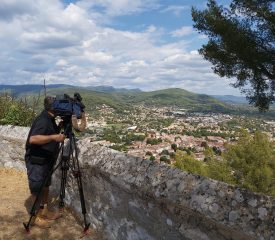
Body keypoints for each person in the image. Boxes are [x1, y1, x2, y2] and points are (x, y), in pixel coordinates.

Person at [25, 96, 65, 228]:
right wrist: (54, 136)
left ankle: (44, 212)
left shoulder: (50, 118)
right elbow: (33, 139)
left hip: (46, 159)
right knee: (37, 189)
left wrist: (58, 129)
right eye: (58, 105)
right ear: (53, 107)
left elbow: (48, 133)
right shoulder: (43, 120)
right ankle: (35, 217)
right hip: (37, 161)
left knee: (46, 186)